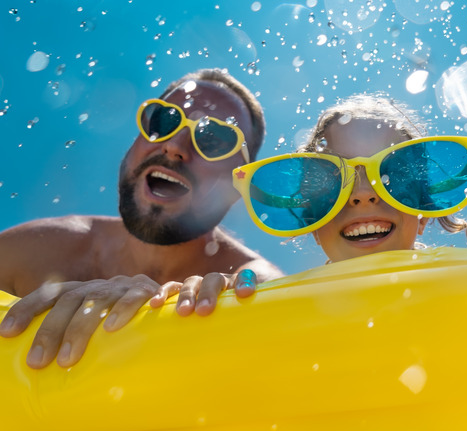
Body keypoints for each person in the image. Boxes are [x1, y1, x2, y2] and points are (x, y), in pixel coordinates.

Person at [0, 68, 282, 369]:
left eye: (213, 139)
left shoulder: (249, 282)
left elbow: (276, 303)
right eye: (164, 121)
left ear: (238, 184)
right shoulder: (34, 250)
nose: (174, 146)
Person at [155, 93, 467, 304]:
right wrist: (219, 305)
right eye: (331, 184)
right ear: (313, 219)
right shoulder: (281, 310)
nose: (362, 195)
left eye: (394, 177)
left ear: (423, 211)